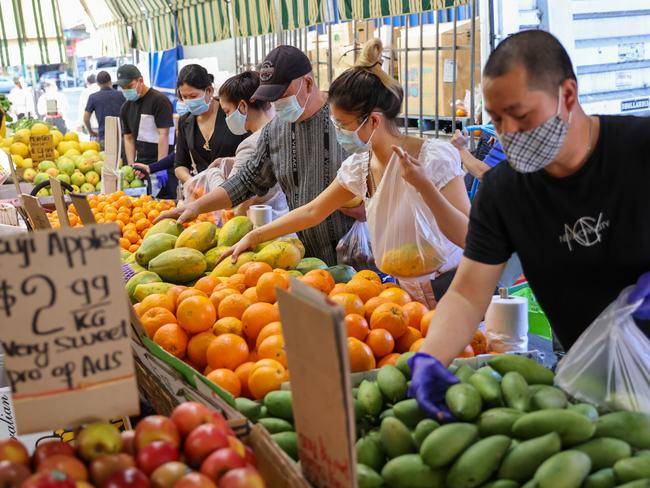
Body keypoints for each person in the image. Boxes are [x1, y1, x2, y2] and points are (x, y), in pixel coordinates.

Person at [410, 30, 650, 419]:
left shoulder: (639, 150)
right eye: (497, 120)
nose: (508, 132)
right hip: (596, 385)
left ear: (567, 95)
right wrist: (431, 358)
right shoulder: (505, 193)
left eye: (520, 116)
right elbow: (469, 293)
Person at [220, 39, 469, 302]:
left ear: (373, 120)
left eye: (343, 124)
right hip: (402, 295)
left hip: (451, 288)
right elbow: (313, 210)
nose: (338, 133)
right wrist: (255, 235)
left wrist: (425, 187)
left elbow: (470, 237)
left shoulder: (433, 159)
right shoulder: (360, 166)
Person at [156, 46, 359, 265]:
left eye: (282, 95)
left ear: (307, 83)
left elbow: (378, 178)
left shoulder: (346, 122)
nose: (276, 104)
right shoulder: (275, 131)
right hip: (300, 258)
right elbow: (246, 180)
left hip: (354, 255)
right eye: (272, 98)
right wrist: (197, 206)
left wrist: (368, 203)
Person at [210, 71, 289, 220]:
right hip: (288, 220)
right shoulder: (282, 129)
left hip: (264, 227)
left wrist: (213, 173)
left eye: (227, 112)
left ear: (243, 106)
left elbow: (231, 201)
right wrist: (235, 161)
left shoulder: (250, 144)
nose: (227, 118)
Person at [173, 64, 248, 186]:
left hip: (236, 188)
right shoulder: (185, 121)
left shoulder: (232, 114)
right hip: (203, 193)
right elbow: (180, 164)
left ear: (209, 91)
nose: (189, 101)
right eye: (184, 97)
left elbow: (250, 154)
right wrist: (192, 182)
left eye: (193, 96)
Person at [117, 64, 175, 198]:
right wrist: (132, 166)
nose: (126, 90)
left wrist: (161, 166)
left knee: (166, 204)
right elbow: (129, 138)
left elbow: (164, 134)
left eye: (129, 86)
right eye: (123, 88)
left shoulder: (159, 101)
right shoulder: (125, 108)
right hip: (142, 165)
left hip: (164, 164)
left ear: (140, 81)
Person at [84, 71, 126, 145]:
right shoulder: (122, 95)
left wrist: (91, 132)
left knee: (105, 156)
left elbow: (86, 119)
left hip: (104, 137)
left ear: (97, 83)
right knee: (122, 156)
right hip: (121, 136)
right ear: (110, 81)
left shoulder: (93, 97)